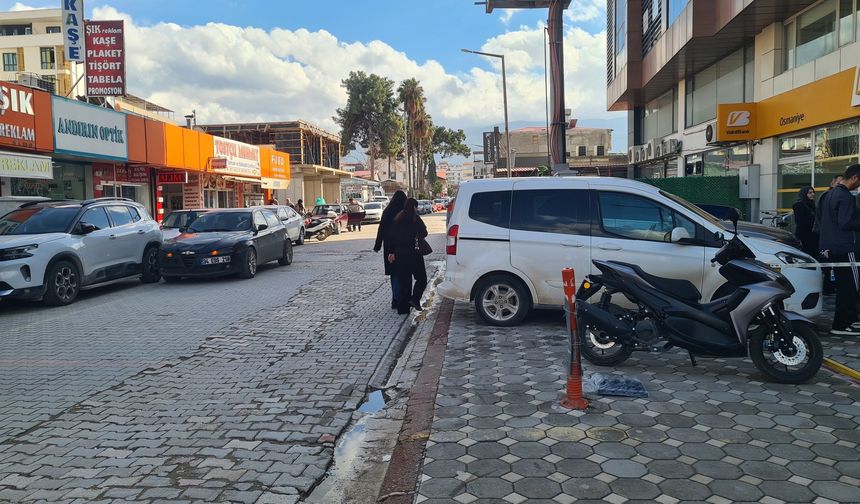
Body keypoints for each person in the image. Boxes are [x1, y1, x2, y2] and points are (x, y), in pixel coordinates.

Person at [818, 164, 860, 335]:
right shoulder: (845, 197)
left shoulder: (830, 194)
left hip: (835, 247)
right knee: (851, 287)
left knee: (845, 287)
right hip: (847, 247)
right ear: (855, 178)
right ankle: (843, 325)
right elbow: (846, 223)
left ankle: (846, 321)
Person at [386, 198, 428, 315]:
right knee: (421, 279)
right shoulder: (415, 218)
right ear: (414, 207)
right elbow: (424, 233)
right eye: (416, 207)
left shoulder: (398, 218)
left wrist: (391, 252)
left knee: (405, 282)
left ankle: (402, 309)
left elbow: (391, 237)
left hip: (400, 254)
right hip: (414, 254)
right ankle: (414, 300)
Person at [374, 191, 407, 309]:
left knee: (394, 274)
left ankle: (395, 299)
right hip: (403, 246)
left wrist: (377, 245)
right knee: (404, 274)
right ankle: (402, 299)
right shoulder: (405, 212)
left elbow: (381, 229)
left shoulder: (387, 211)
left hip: (389, 247)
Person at [816, 175, 844, 295]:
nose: (840, 185)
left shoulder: (830, 195)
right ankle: (828, 287)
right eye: (838, 182)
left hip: (829, 235)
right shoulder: (828, 196)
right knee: (829, 264)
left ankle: (831, 286)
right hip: (827, 235)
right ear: (832, 182)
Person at [792, 186, 818, 257]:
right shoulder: (799, 205)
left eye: (813, 192)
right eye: (810, 193)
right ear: (804, 194)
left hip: (813, 235)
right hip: (804, 236)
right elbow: (799, 222)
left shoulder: (812, 205)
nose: (812, 194)